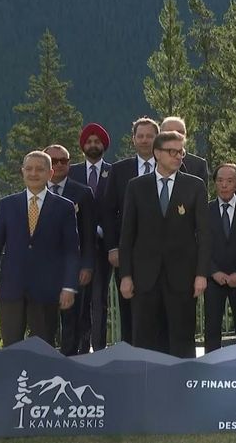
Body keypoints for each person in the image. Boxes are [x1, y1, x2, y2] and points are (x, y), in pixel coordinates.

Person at [118, 131, 211, 358]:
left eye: (181, 152)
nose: (178, 157)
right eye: (172, 152)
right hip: (145, 277)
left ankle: (182, 388)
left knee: (181, 339)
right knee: (146, 340)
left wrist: (201, 274)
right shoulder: (137, 186)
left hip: (182, 277)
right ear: (157, 153)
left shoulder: (194, 185)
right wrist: (126, 275)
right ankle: (147, 388)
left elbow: (205, 234)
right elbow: (127, 234)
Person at [0, 151, 79, 347]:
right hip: (12, 288)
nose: (33, 173)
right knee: (11, 347)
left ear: (50, 173)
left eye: (39, 169)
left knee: (44, 348)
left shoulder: (64, 207)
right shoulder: (7, 205)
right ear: (22, 172)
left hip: (47, 290)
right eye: (29, 168)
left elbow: (71, 251)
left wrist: (69, 287)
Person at [102, 117, 159, 343]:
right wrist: (113, 247)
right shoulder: (119, 170)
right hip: (128, 253)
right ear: (133, 139)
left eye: (150, 135)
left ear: (158, 138)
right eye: (140, 136)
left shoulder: (171, 167)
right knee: (128, 309)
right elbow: (108, 212)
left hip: (163, 253)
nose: (145, 140)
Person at [44, 144, 96, 356]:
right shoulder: (35, 191)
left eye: (63, 161)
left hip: (73, 268)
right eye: (53, 161)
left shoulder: (83, 193)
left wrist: (87, 265)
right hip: (43, 269)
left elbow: (89, 234)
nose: (58, 165)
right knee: (44, 320)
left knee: (74, 319)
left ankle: (74, 361)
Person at [69, 122, 112, 351]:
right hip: (77, 248)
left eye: (97, 141)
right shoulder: (72, 172)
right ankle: (80, 348)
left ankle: (100, 348)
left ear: (103, 145)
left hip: (104, 248)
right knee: (78, 301)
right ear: (83, 145)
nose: (93, 145)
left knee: (99, 301)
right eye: (89, 141)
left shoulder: (113, 172)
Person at [205, 163, 236, 352]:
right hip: (213, 278)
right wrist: (213, 271)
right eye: (220, 180)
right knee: (212, 328)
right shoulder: (204, 210)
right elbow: (200, 244)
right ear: (215, 183)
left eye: (230, 181)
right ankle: (210, 371)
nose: (224, 185)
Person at [160, 116, 209, 183]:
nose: (176, 135)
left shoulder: (198, 165)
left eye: (180, 132)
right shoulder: (153, 162)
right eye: (170, 132)